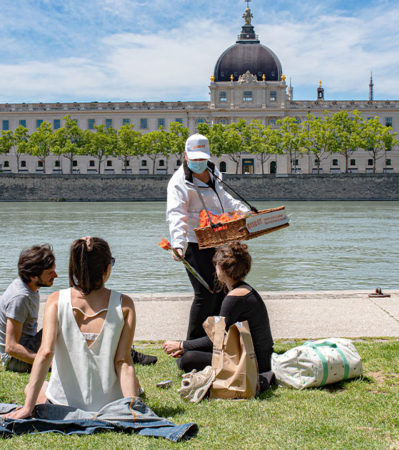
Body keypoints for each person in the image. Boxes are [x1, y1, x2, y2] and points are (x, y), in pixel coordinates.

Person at [5, 237, 139, 418]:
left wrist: (27, 408)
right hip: (110, 403)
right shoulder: (125, 304)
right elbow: (123, 361)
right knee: (136, 385)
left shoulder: (55, 300)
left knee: (32, 387)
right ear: (107, 268)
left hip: (62, 403)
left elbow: (45, 353)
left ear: (74, 268)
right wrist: (133, 410)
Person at [166, 133, 248, 340]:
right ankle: (191, 343)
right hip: (195, 243)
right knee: (205, 294)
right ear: (185, 156)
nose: (199, 163)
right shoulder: (178, 182)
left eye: (203, 159)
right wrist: (178, 244)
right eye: (195, 160)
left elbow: (224, 198)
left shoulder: (214, 172)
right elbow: (176, 214)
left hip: (219, 239)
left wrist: (243, 211)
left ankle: (217, 340)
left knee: (222, 290)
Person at [163, 242, 274, 389]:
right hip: (261, 356)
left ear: (221, 268)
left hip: (253, 361)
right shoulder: (245, 290)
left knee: (188, 359)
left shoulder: (233, 298)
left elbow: (217, 340)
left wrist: (181, 345)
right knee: (190, 353)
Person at [0, 244, 57, 373]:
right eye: (50, 273)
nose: (56, 275)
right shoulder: (20, 298)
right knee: (60, 322)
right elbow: (11, 348)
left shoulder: (28, 286)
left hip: (27, 347)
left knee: (63, 316)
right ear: (33, 276)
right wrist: (47, 363)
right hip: (15, 361)